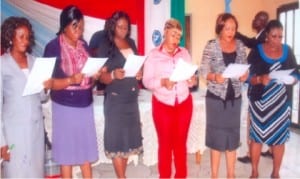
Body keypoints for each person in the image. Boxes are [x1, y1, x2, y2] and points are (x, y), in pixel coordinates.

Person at [43, 5, 100, 178]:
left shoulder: (84, 46)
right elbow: (48, 83)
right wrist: (70, 80)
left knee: (85, 153)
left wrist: (96, 75)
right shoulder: (53, 48)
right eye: (75, 26)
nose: (79, 30)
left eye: (81, 27)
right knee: (66, 155)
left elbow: (89, 78)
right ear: (64, 26)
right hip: (64, 107)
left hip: (85, 105)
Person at [143, 18, 197, 178]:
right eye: (173, 35)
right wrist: (162, 82)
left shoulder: (185, 53)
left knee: (180, 145)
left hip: (184, 104)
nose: (176, 40)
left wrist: (191, 81)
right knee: (165, 145)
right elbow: (146, 81)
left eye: (179, 36)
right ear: (165, 32)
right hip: (162, 105)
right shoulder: (153, 55)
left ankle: (181, 176)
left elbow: (190, 77)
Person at [93, 11, 143, 179]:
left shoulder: (131, 42)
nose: (123, 30)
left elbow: (136, 66)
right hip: (115, 100)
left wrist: (139, 73)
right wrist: (113, 75)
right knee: (117, 142)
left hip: (131, 99)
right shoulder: (105, 44)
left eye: (126, 27)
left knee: (128, 141)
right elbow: (101, 75)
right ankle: (122, 177)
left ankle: (122, 175)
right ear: (112, 26)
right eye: (119, 26)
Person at [247, 19, 299, 179]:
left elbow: (296, 72)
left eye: (280, 37)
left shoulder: (287, 51)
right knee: (256, 138)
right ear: (267, 35)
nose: (277, 40)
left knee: (279, 139)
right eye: (274, 36)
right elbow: (246, 76)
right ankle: (254, 171)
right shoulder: (257, 50)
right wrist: (259, 79)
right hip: (259, 102)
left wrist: (293, 79)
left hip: (281, 104)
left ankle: (276, 172)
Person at [0, 16, 51, 177]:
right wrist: (2, 142)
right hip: (14, 132)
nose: (25, 40)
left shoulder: (35, 62)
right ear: (10, 37)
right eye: (20, 36)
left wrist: (46, 87)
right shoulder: (2, 64)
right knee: (17, 172)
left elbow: (42, 98)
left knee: (35, 173)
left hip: (36, 129)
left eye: (27, 37)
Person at [199, 13, 248, 178]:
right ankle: (214, 175)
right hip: (216, 99)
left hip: (234, 99)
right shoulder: (211, 45)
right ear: (220, 28)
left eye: (233, 28)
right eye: (227, 28)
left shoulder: (240, 45)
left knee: (232, 139)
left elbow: (243, 67)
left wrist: (244, 75)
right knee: (217, 139)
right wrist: (214, 77)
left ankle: (231, 175)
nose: (231, 31)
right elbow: (203, 70)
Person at [236, 11, 273, 164]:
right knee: (263, 117)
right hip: (257, 82)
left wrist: (235, 32)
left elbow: (251, 43)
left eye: (257, 19)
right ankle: (267, 149)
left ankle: (251, 153)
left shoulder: (264, 36)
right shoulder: (261, 36)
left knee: (250, 118)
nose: (254, 20)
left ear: (264, 22)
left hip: (256, 83)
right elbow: (251, 41)